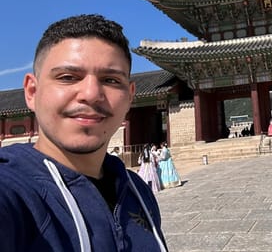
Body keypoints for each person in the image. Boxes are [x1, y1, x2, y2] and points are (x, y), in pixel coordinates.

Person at [0, 14, 168, 251]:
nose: (91, 93)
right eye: (68, 77)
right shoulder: (12, 190)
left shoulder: (137, 190)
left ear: (130, 96)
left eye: (110, 80)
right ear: (32, 92)